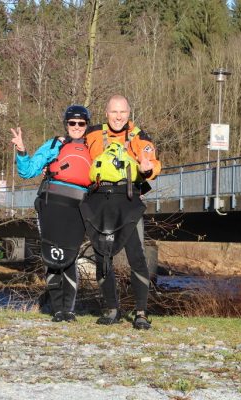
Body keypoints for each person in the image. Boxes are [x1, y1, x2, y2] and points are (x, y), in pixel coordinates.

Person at [80, 95, 161, 330]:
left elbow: (153, 162)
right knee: (103, 256)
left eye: (123, 112)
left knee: (137, 256)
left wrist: (148, 170)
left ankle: (141, 313)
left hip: (128, 202)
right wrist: (49, 165)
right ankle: (111, 308)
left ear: (129, 114)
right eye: (114, 112)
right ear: (106, 113)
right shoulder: (92, 134)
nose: (118, 117)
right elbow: (73, 151)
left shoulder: (139, 137)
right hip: (99, 202)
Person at [11, 105, 92, 322]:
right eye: (72, 123)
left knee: (70, 257)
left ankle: (69, 310)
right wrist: (21, 150)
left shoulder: (94, 147)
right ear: (66, 124)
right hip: (51, 204)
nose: (76, 127)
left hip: (78, 207)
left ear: (87, 125)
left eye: (81, 123)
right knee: (52, 256)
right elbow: (27, 171)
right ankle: (58, 310)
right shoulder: (55, 144)